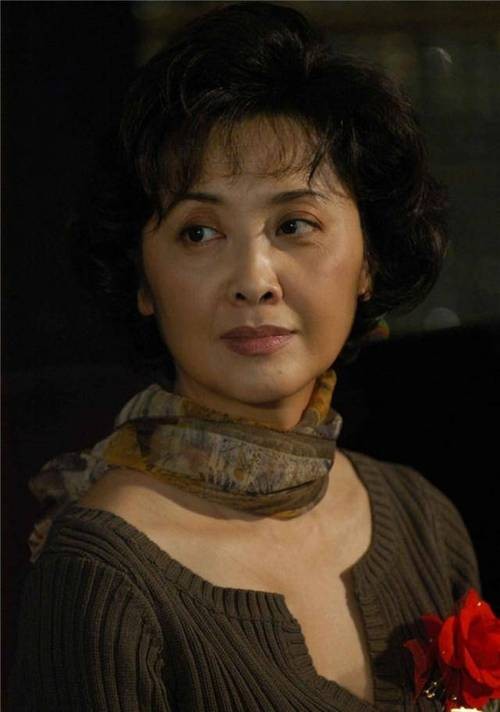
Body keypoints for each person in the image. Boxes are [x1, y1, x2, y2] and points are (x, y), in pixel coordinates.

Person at [9, 2, 481, 710]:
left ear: (369, 261)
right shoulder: (103, 574)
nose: (254, 280)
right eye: (199, 233)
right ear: (143, 279)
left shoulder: (423, 518)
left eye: (295, 224)